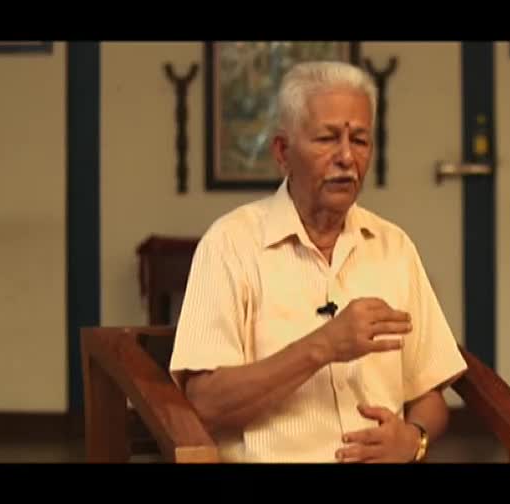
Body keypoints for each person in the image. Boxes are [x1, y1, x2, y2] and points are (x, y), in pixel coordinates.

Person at [168, 60, 468, 463]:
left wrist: (414, 440)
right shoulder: (230, 245)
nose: (347, 157)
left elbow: (429, 393)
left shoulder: (393, 247)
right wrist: (323, 345)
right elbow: (204, 402)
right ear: (282, 152)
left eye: (360, 141)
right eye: (328, 139)